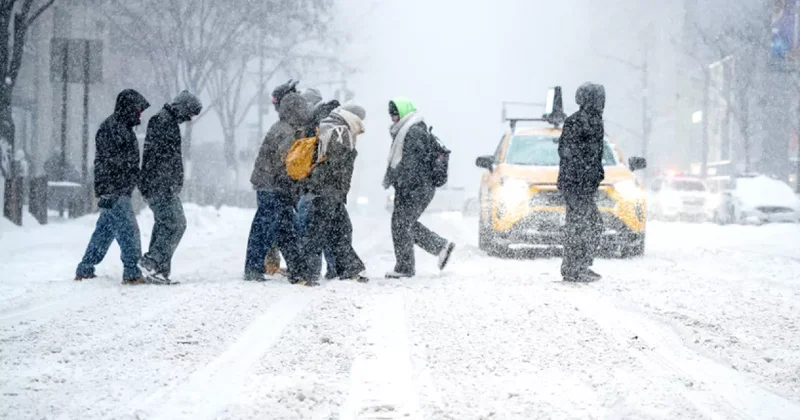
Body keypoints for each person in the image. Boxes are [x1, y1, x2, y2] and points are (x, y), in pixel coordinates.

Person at [75, 89, 150, 284]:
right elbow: (112, 162)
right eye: (138, 110)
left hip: (112, 188)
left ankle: (85, 268)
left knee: (104, 231)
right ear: (129, 108)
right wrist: (127, 178)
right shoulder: (114, 128)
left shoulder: (119, 126)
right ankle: (132, 272)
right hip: (115, 189)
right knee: (128, 230)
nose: (140, 114)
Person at [382, 98, 455, 279]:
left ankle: (406, 267)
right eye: (391, 115)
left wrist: (403, 184)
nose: (393, 119)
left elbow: (412, 166)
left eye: (396, 114)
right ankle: (440, 247)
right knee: (403, 224)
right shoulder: (409, 130)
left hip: (417, 188)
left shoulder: (413, 132)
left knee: (401, 224)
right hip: (414, 187)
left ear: (404, 113)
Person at [297, 104, 368, 282]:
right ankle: (306, 274)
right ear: (354, 118)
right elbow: (335, 165)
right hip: (327, 191)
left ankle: (349, 269)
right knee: (320, 233)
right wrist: (334, 190)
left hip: (324, 190)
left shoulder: (328, 125)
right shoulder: (340, 131)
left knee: (339, 230)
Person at [245, 92, 311, 284]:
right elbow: (286, 162)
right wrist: (293, 186)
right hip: (272, 187)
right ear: (295, 110)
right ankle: (253, 269)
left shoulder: (283, 127)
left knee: (284, 229)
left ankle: (297, 269)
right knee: (265, 229)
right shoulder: (286, 131)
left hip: (270, 186)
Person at [138, 90, 203, 284]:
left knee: (165, 224)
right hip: (160, 185)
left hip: (158, 184)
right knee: (177, 223)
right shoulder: (163, 122)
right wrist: (168, 183)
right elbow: (161, 158)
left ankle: (159, 270)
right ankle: (152, 262)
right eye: (190, 113)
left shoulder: (166, 120)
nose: (190, 119)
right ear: (183, 107)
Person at [557, 82, 606, 282]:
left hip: (584, 185)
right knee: (582, 226)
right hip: (576, 185)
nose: (602, 102)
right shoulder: (577, 121)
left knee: (587, 225)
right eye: (598, 97)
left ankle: (578, 265)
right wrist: (583, 174)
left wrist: (596, 174)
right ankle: (574, 268)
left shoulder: (594, 121)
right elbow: (567, 152)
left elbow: (595, 156)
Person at [263, 80, 301, 276]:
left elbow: (285, 157)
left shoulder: (286, 126)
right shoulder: (287, 126)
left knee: (278, 225)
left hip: (280, 182)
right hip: (281, 183)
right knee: (283, 224)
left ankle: (287, 265)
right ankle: (295, 266)